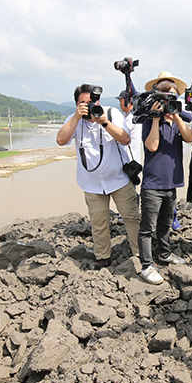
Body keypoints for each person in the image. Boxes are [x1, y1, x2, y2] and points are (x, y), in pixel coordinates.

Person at [56, 84, 141, 268]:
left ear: (98, 101)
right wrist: (78, 116)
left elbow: (125, 139)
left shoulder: (110, 114)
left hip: (119, 178)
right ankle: (103, 257)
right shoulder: (73, 119)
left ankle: (140, 254)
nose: (88, 105)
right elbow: (61, 140)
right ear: (77, 104)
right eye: (83, 103)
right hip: (91, 182)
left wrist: (104, 122)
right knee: (98, 222)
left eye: (91, 101)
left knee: (131, 217)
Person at [137, 72, 192, 285]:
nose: (168, 95)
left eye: (171, 92)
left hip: (172, 182)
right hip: (152, 184)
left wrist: (176, 116)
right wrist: (154, 119)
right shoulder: (149, 120)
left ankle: (164, 254)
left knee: (166, 224)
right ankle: (146, 265)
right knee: (147, 228)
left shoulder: (178, 121)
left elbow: (189, 138)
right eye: (163, 92)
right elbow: (151, 146)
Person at [116, 89, 143, 166]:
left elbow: (120, 135)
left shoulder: (130, 118)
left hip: (129, 161)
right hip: (133, 161)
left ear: (127, 101)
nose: (120, 105)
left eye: (120, 101)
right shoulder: (134, 116)